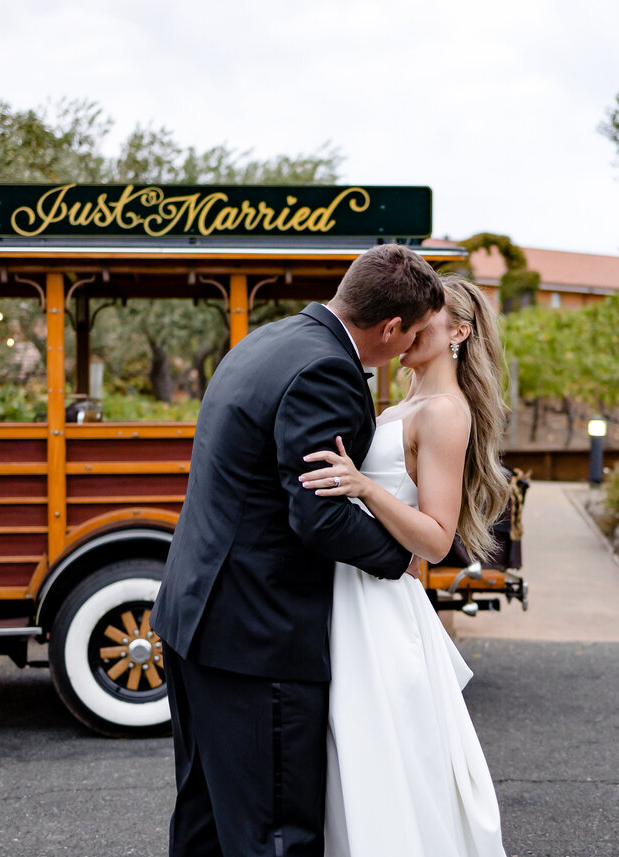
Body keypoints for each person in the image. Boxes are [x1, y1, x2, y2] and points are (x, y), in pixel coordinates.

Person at [149, 243, 445, 857]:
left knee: (206, 819)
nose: (410, 347)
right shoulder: (327, 371)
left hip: (194, 617)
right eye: (411, 334)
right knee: (276, 833)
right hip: (259, 635)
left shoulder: (272, 338)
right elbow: (317, 515)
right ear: (390, 326)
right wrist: (400, 559)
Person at [298, 273, 510, 857]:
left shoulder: (445, 411)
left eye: (427, 319)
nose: (413, 327)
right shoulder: (400, 404)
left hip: (382, 606)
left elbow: (438, 540)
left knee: (382, 755)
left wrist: (365, 487)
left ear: (458, 332)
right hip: (350, 592)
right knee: (354, 756)